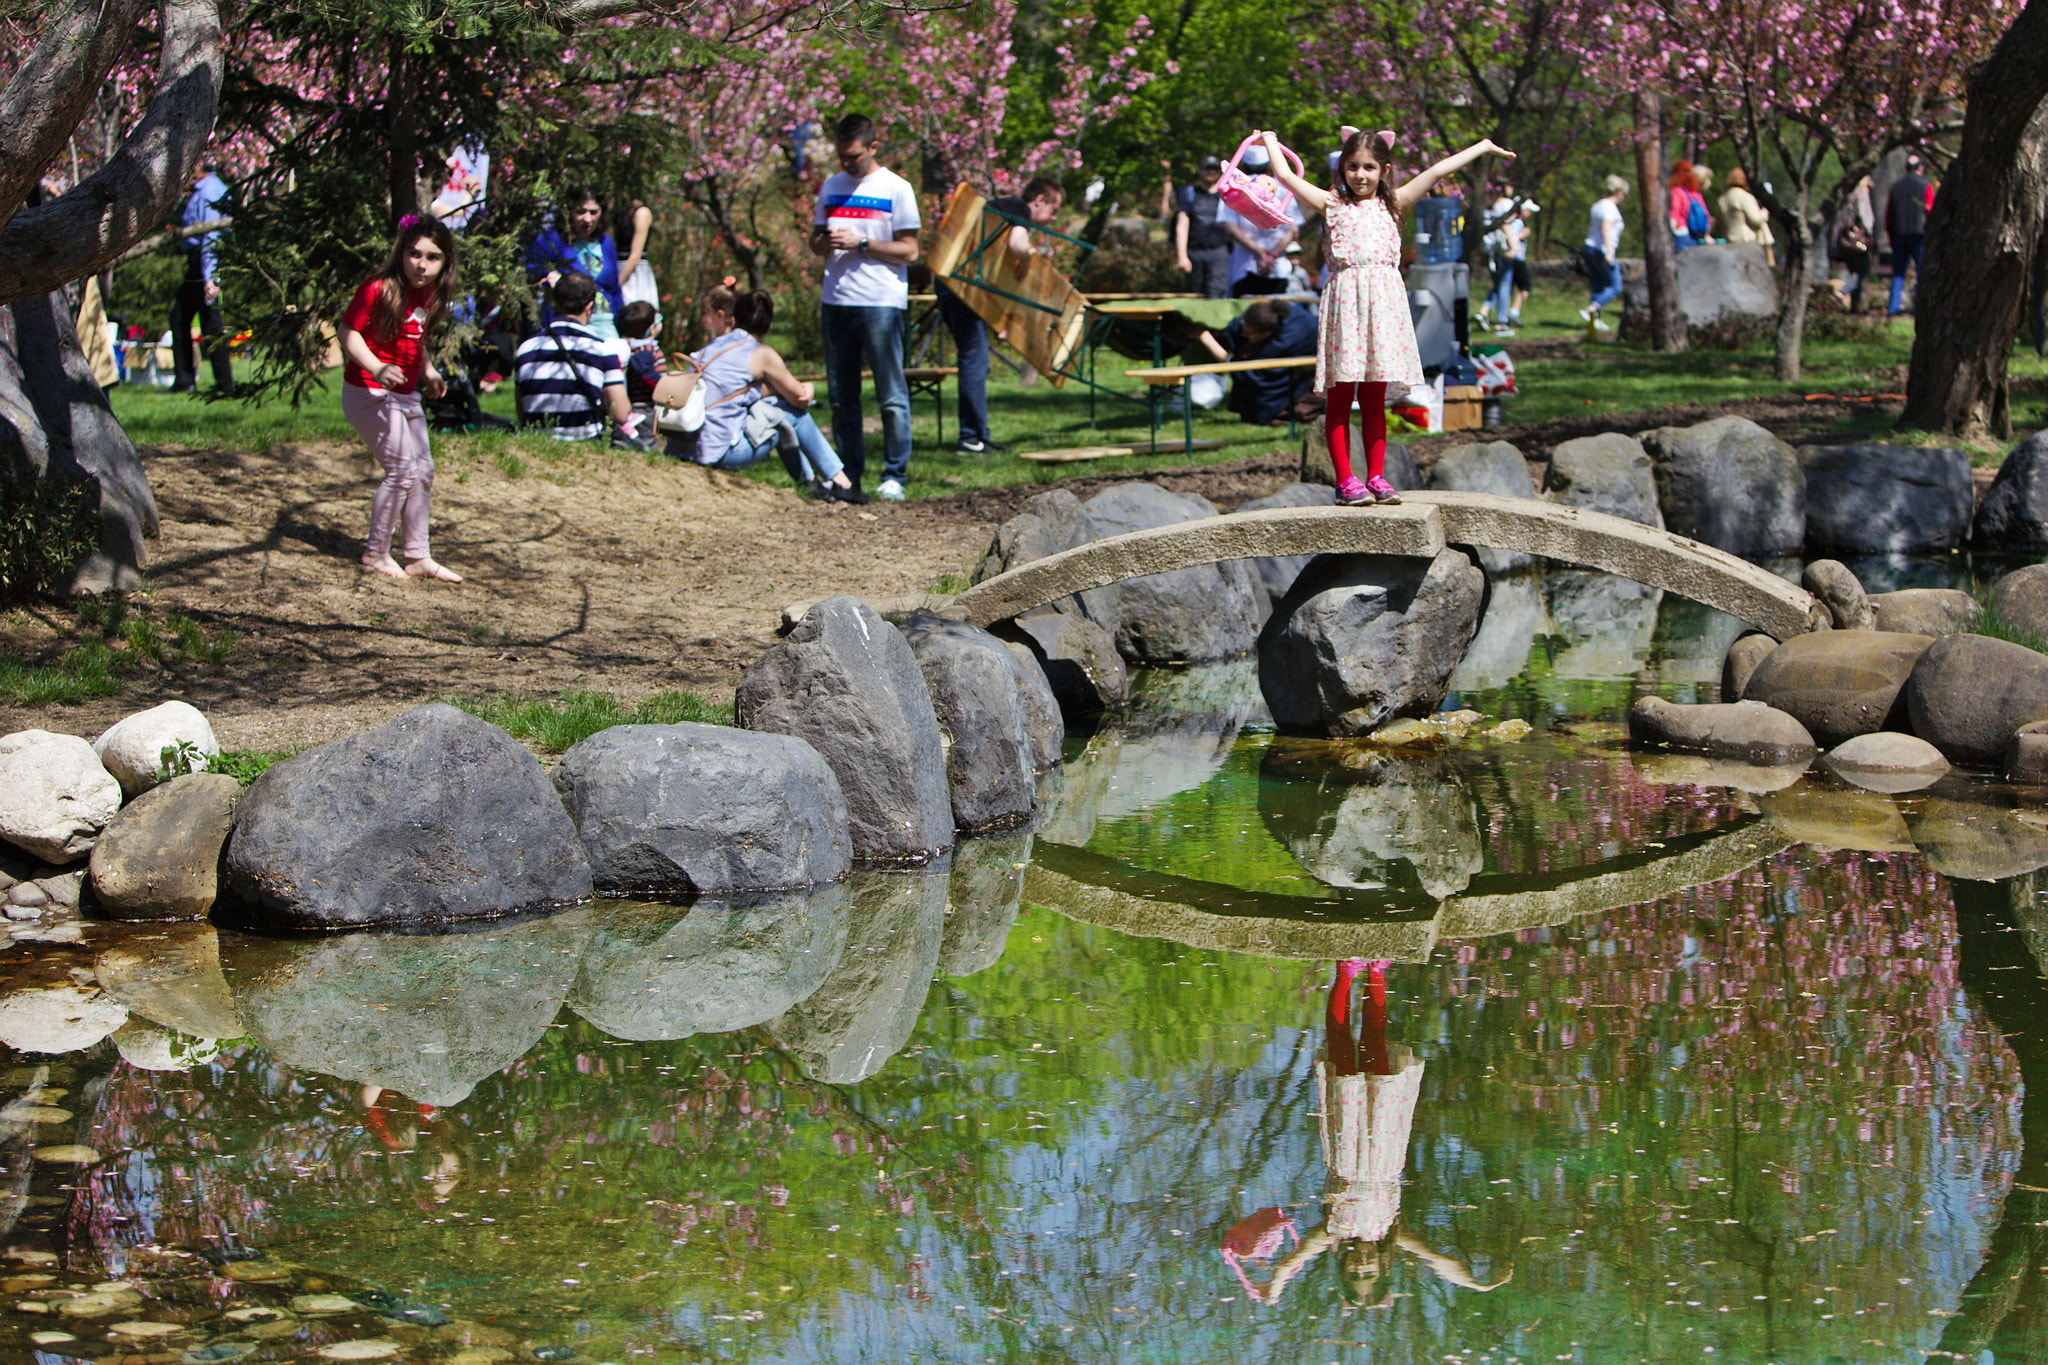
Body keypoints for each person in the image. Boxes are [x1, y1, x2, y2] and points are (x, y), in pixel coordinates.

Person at [1223, 960, 1511, 1305]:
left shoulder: (1332, 1232)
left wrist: (1278, 1282)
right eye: (1368, 1274)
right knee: (1375, 1043)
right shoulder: (1393, 1232)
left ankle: (1345, 973)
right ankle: (1376, 971)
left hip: (1345, 1142)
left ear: (1343, 1269)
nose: (1361, 1267)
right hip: (1387, 1139)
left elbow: (1292, 1261)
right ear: (1382, 1267)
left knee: (1340, 1043)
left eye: (1354, 1274)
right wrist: (1472, 1283)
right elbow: (1436, 1259)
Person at [1258, 125, 1513, 506]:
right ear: (1343, 169)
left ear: (1385, 170)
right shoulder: (1333, 205)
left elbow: (1439, 171)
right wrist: (1269, 142)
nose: (1360, 175)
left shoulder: (1394, 204)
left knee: (1375, 398)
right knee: (1341, 396)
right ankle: (1346, 481)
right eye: (1353, 167)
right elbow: (1286, 176)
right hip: (1347, 306)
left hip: (1383, 309)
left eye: (1369, 167)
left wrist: (1483, 147)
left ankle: (1376, 476)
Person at [336, 214, 462, 583]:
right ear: (401, 253)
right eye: (414, 253)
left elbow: (412, 338)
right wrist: (376, 367)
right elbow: (347, 330)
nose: (421, 265)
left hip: (405, 395)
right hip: (368, 391)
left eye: (432, 257)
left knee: (423, 471)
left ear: (445, 262)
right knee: (402, 469)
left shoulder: (432, 294)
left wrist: (428, 370)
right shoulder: (378, 288)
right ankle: (376, 552)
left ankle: (418, 555)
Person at [808, 112, 921, 501]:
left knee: (890, 394)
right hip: (836, 300)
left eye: (854, 156)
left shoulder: (896, 188)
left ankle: (895, 474)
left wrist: (861, 243)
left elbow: (910, 250)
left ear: (874, 147)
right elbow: (816, 241)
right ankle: (848, 473)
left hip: (880, 302)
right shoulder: (831, 185)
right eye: (842, 157)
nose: (847, 164)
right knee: (842, 396)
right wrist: (825, 242)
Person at [685, 286, 862, 501]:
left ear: (734, 319)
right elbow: (800, 399)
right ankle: (840, 482)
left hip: (685, 446)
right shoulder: (759, 352)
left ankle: (810, 483)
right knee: (792, 415)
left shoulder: (710, 348)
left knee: (774, 412)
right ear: (768, 327)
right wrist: (809, 388)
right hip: (718, 452)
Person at [937, 176, 1064, 455]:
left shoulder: (1002, 209)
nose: (1054, 217)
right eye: (1054, 209)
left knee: (978, 360)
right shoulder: (1018, 209)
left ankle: (979, 434)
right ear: (1039, 200)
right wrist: (1029, 256)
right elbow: (1018, 245)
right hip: (960, 289)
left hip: (956, 287)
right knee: (974, 359)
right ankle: (971, 438)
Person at [512, 272, 642, 447]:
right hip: (585, 443)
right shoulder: (602, 349)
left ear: (554, 302)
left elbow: (522, 410)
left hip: (535, 443)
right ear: (589, 307)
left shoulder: (526, 348)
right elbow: (620, 414)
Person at [1194, 298, 1316, 425]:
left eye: (1248, 334)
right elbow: (1234, 329)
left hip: (1304, 364)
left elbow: (1246, 369)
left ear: (1266, 334)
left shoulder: (1283, 342)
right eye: (1243, 329)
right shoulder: (1264, 315)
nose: (1243, 335)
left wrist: (1207, 339)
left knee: (1261, 388)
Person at [525, 187, 625, 341]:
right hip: (568, 327)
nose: (587, 219)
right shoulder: (553, 241)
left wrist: (623, 324)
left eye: (593, 212)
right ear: (568, 212)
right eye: (580, 211)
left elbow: (615, 289)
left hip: (606, 326)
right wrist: (550, 280)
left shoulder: (606, 242)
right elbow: (531, 273)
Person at [170, 164, 233, 394]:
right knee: (205, 321)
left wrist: (211, 277)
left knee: (197, 320)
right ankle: (220, 383)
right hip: (202, 264)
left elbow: (212, 237)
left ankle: (194, 381)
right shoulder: (208, 189)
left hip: (204, 264)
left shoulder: (209, 192)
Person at [1222, 144, 1303, 296]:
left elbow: (1230, 227)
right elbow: (1293, 229)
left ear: (1244, 165)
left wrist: (1260, 253)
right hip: (1277, 266)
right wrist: (1272, 255)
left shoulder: (1234, 187)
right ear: (1267, 166)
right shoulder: (1282, 189)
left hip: (1245, 266)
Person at [1173, 155, 1231, 299]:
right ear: (1200, 170)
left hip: (1219, 252)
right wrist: (1182, 256)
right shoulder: (1189, 194)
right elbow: (1182, 225)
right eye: (1207, 168)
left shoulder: (1227, 195)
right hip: (1195, 253)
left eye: (1214, 169)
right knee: (1194, 294)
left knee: (1216, 292)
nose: (1210, 172)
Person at [1482, 197, 1536, 335]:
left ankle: (1485, 313)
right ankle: (1501, 322)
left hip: (1499, 253)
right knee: (1505, 286)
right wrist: (1515, 244)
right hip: (1508, 255)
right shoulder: (1508, 212)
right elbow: (1506, 227)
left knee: (1500, 286)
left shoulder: (1495, 208)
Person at [1581, 175, 1628, 331]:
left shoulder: (1597, 205)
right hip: (1601, 250)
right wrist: (1609, 253)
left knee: (1598, 285)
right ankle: (1592, 309)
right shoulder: (1609, 208)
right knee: (1616, 285)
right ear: (1619, 192)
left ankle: (1595, 319)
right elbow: (1606, 229)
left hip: (1589, 248)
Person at [1887, 153, 1933, 316]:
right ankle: (1919, 306)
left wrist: (1891, 234)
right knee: (1921, 272)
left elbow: (1889, 214)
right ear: (1920, 168)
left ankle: (1893, 306)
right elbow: (1930, 210)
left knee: (1898, 272)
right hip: (1919, 236)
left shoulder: (1895, 186)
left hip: (1899, 234)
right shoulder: (1926, 185)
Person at [616, 299, 664, 428]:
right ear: (651, 329)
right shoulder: (645, 351)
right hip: (643, 407)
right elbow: (647, 376)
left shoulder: (624, 347)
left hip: (630, 405)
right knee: (643, 441)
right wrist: (666, 386)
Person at [1832, 175, 1876, 312]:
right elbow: (1866, 218)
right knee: (1862, 269)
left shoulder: (1847, 193)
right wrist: (1869, 233)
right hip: (1857, 240)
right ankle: (1843, 291)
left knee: (1854, 270)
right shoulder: (1861, 193)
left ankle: (1854, 306)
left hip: (1846, 240)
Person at [1719, 167, 1774, 266]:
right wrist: (1764, 213)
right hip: (1746, 240)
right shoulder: (1745, 197)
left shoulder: (1723, 198)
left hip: (1729, 240)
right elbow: (1756, 219)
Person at [1668, 161, 1709, 251]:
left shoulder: (1677, 191)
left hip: (1681, 233)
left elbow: (1675, 212)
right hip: (1696, 235)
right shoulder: (1696, 194)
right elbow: (1706, 214)